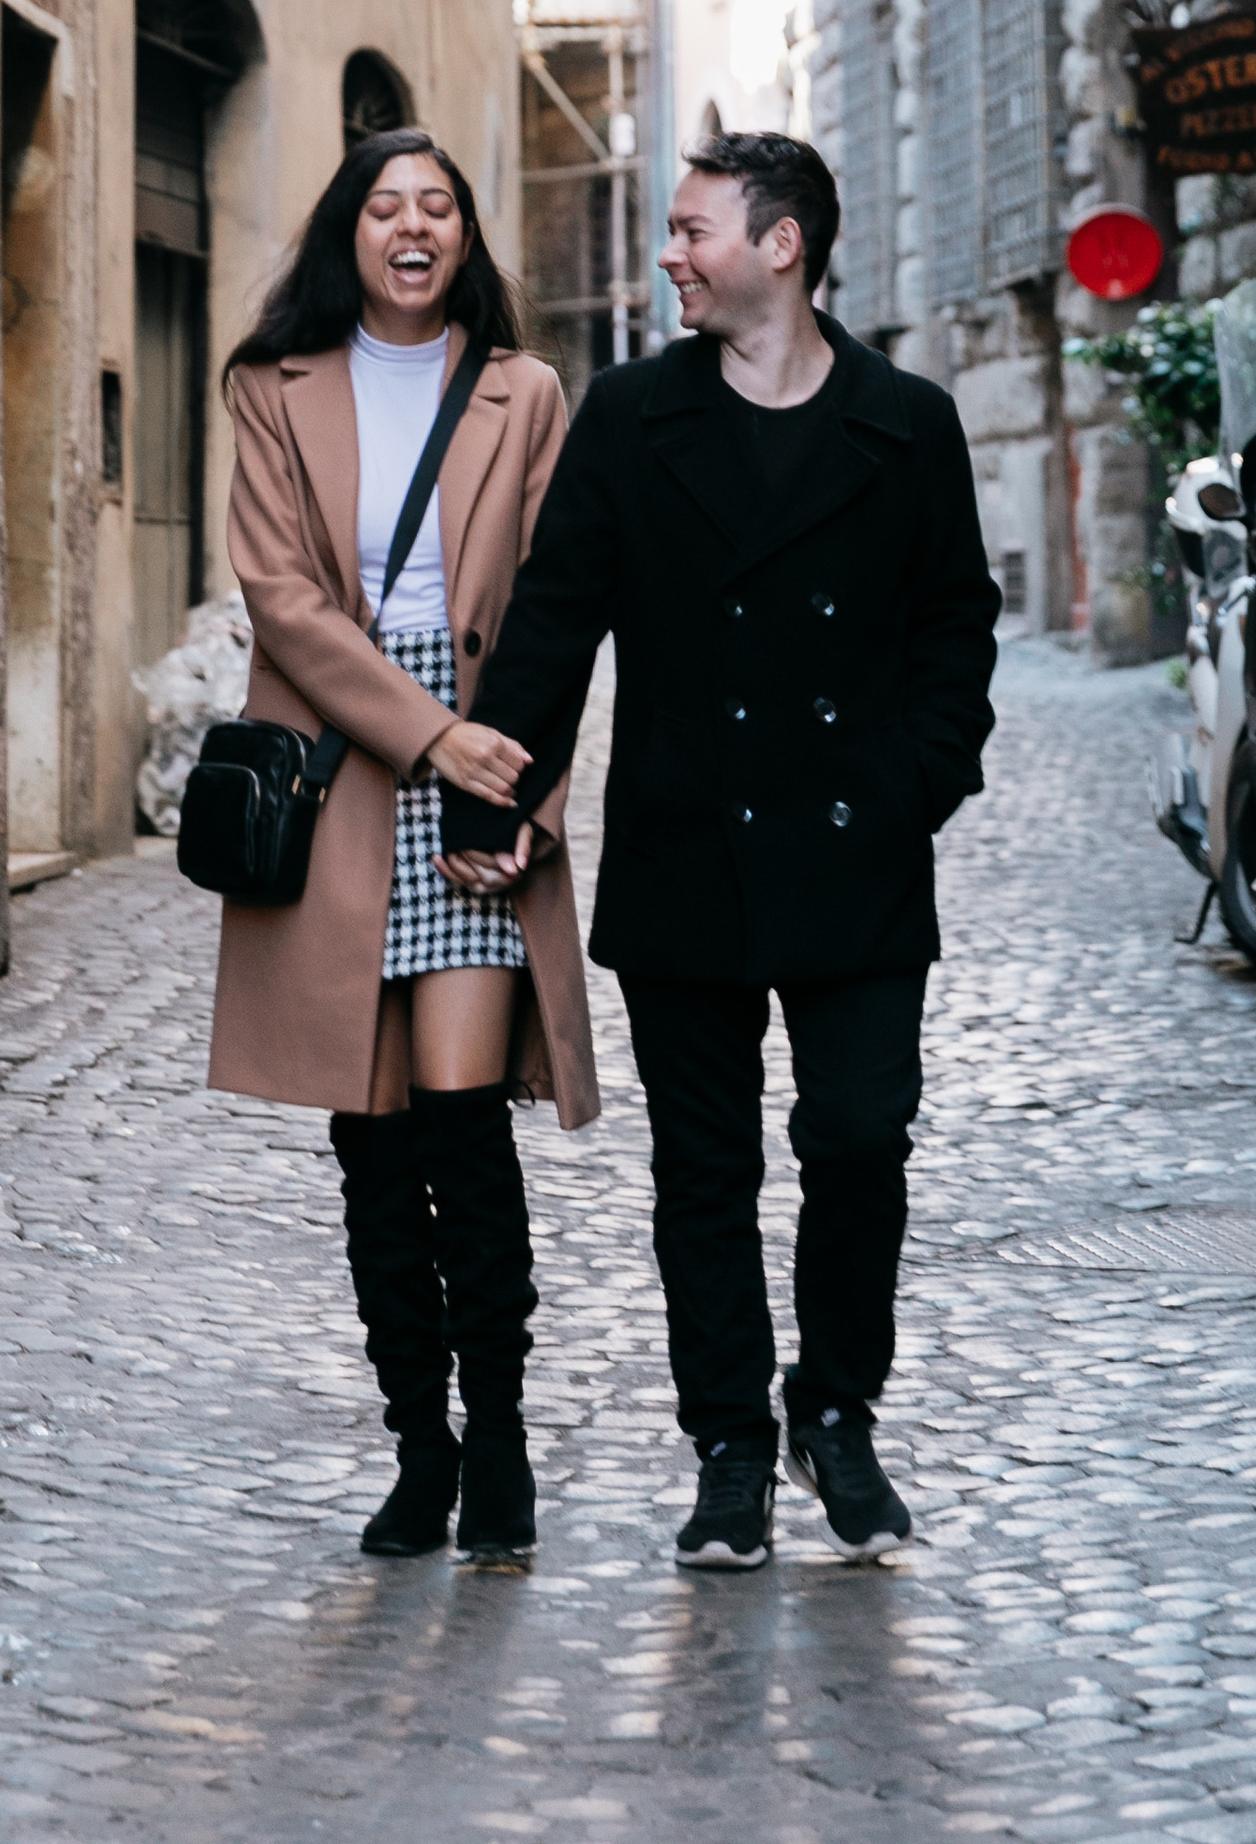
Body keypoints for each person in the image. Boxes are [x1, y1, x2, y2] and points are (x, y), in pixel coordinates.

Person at [440, 129, 998, 1571]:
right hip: (690, 849)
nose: (670, 254)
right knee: (705, 1172)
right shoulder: (631, 418)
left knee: (862, 1144)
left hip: (857, 851)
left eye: (692, 231)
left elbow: (956, 628)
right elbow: (556, 621)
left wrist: (916, 783)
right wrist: (496, 796)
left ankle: (838, 1411)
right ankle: (733, 1445)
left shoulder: (907, 422)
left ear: (783, 245)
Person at [208, 128, 598, 1563]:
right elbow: (285, 603)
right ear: (348, 235)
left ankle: (498, 1442)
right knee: (367, 1139)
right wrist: (427, 740)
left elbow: (561, 608)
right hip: (344, 768)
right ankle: (416, 1449)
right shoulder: (272, 387)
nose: (414, 227)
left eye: (439, 206)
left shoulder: (526, 392)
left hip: (486, 766)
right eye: (387, 206)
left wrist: (519, 794)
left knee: (460, 1122)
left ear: (466, 237)